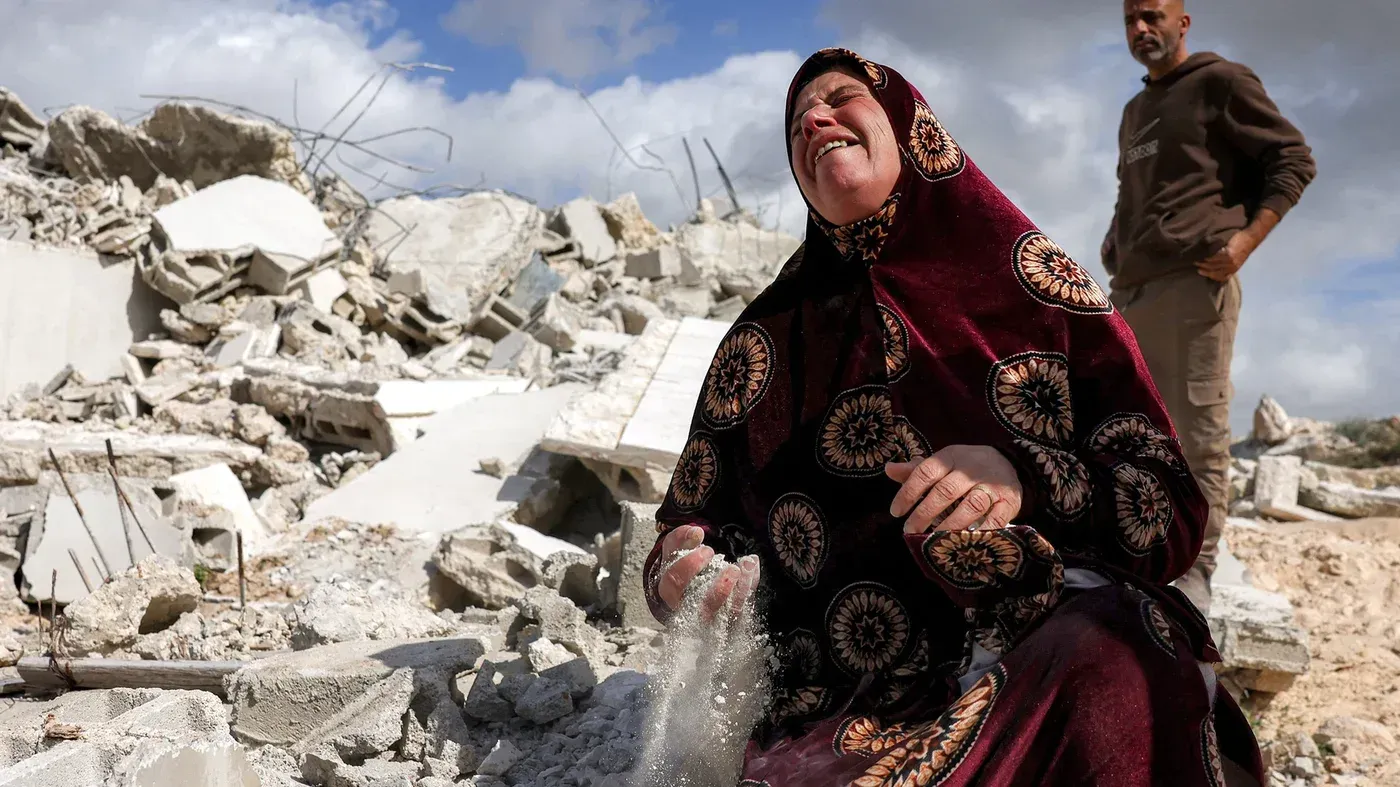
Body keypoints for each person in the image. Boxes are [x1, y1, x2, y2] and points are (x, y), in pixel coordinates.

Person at [640, 48, 1265, 786]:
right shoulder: (761, 344)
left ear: (909, 127)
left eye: (842, 98)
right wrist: (680, 575)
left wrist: (1024, 477)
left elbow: (1171, 509)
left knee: (1118, 658)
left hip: (1035, 662)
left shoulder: (1037, 287)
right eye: (798, 122)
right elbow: (690, 529)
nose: (814, 118)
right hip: (834, 725)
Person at [1104, 0, 1317, 614]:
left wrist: (1245, 242)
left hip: (1194, 284)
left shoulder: (1220, 81)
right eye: (1129, 21)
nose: (1140, 30)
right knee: (1134, 428)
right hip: (1134, 288)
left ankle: (1197, 566)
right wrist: (1117, 238)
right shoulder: (1134, 110)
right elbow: (1133, 187)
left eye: (1152, 16)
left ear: (1182, 22)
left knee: (1196, 429)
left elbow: (1293, 160)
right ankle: (1141, 553)